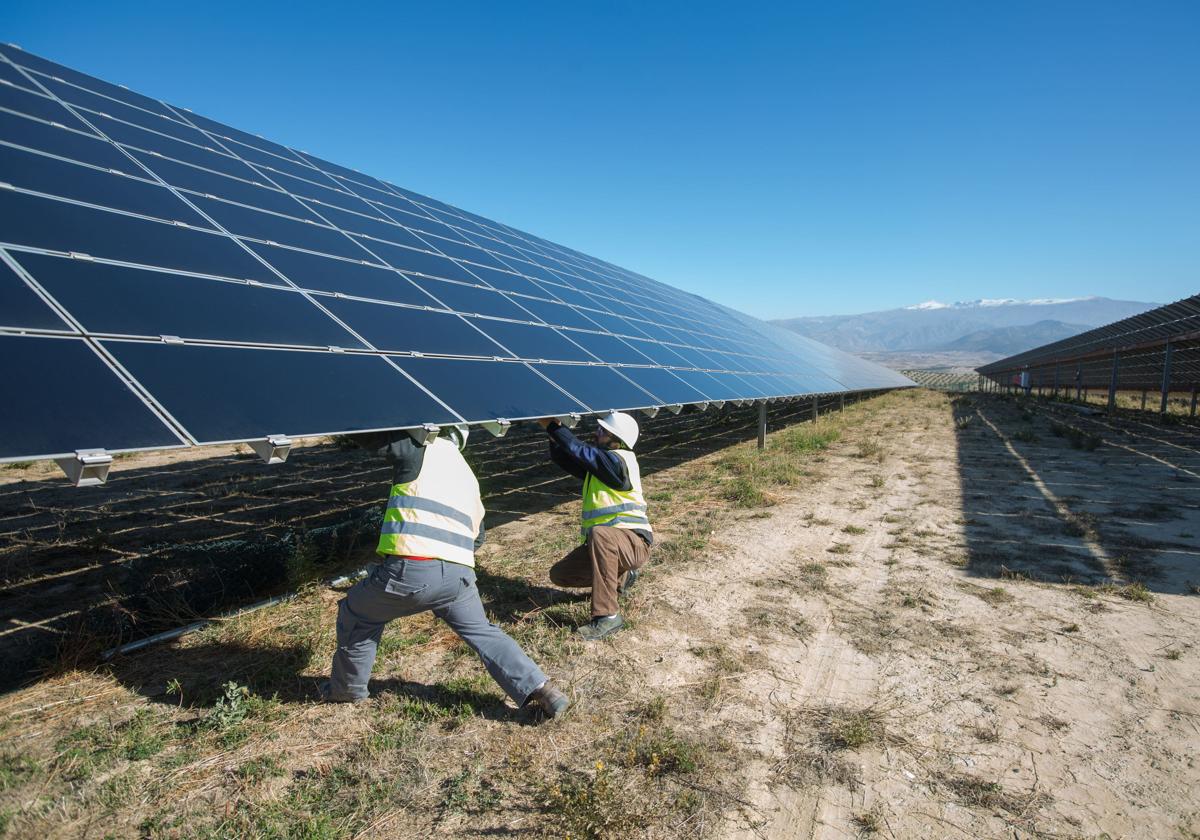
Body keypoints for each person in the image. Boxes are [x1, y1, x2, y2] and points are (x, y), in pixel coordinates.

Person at [320, 425, 569, 719]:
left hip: (410, 570)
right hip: (459, 578)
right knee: (483, 632)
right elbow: (478, 538)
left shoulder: (421, 450)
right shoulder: (469, 478)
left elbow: (370, 435)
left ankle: (346, 690)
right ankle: (542, 689)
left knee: (357, 612)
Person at [537, 411, 652, 641]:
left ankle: (607, 616)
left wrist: (553, 427)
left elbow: (581, 450)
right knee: (561, 574)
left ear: (616, 440)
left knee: (601, 534)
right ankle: (622, 577)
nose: (595, 433)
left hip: (634, 543)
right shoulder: (602, 468)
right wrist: (554, 436)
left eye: (602, 431)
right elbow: (569, 457)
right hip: (609, 546)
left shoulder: (617, 461)